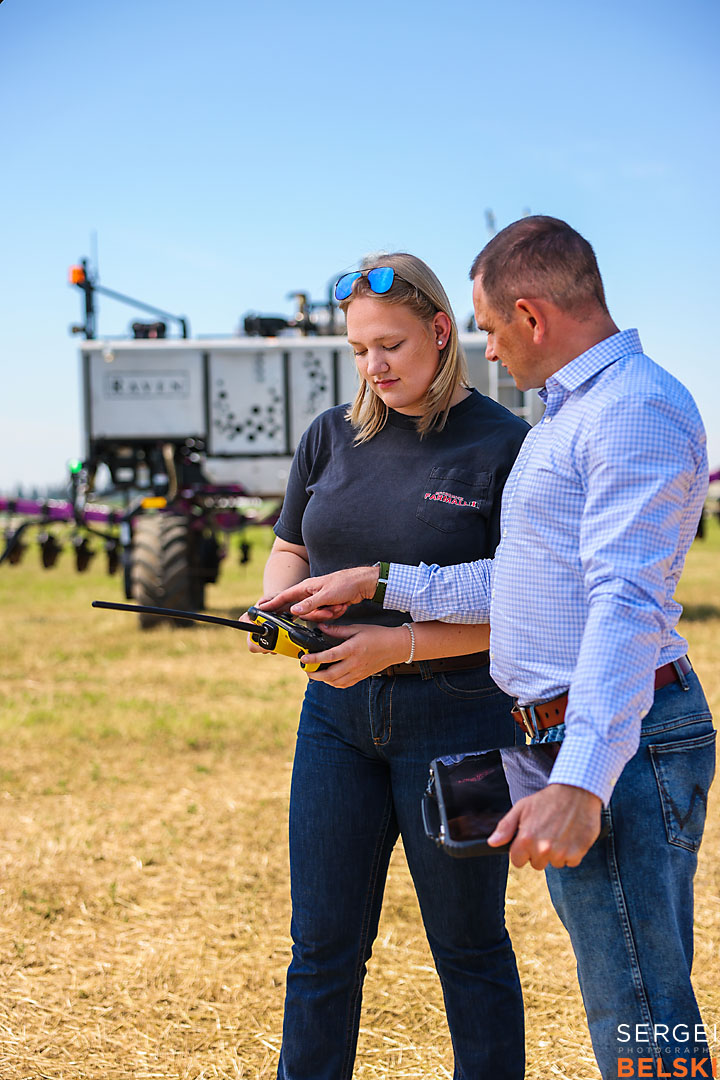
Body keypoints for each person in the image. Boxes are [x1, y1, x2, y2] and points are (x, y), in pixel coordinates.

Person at [264, 218, 717, 1080]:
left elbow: (623, 606)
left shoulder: (634, 412)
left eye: (493, 328)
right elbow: (525, 582)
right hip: (573, 727)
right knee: (623, 997)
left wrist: (581, 781)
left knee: (643, 1007)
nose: (493, 352)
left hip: (617, 734)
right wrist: (378, 582)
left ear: (531, 315)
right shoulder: (571, 416)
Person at [247, 252, 530, 1079]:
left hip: (460, 720)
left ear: (442, 333)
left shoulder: (504, 444)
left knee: (470, 949)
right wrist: (280, 612)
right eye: (359, 350)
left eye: (392, 347)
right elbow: (288, 552)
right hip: (334, 721)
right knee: (322, 951)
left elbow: (512, 606)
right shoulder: (329, 436)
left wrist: (396, 644)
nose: (374, 367)